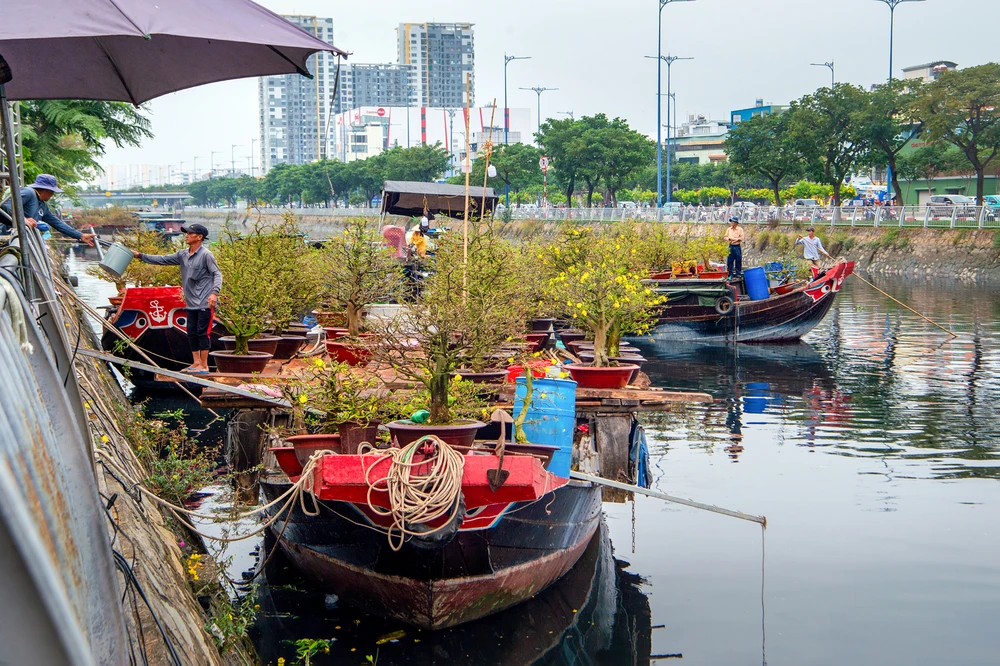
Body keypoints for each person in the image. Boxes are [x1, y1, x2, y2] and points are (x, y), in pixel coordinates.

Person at [132, 224, 222, 373]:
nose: (186, 235)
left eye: (190, 233)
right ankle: (196, 363)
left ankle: (204, 365)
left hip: (205, 301)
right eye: (186, 233)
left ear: (199, 237)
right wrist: (139, 255)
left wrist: (214, 293)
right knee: (191, 332)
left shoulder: (206, 255)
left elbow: (217, 274)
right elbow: (162, 259)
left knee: (202, 332)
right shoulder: (183, 254)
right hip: (191, 302)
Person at [0, 174, 96, 246]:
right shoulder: (29, 193)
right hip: (6, 235)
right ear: (47, 190)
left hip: (19, 240)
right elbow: (5, 206)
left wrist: (80, 235)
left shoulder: (42, 205)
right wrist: (23, 219)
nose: (52, 195)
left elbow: (57, 223)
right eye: (52, 192)